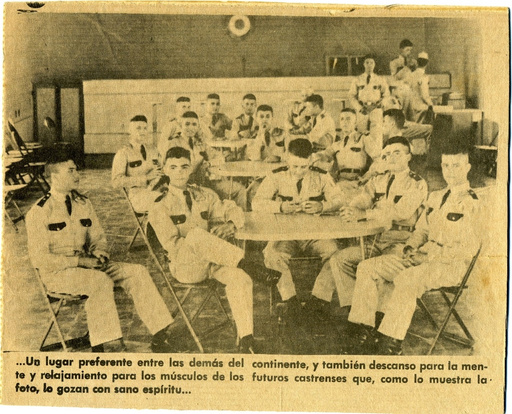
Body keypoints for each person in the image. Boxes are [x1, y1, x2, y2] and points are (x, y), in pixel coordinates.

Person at [26, 150, 181, 353]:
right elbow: (40, 259)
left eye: (76, 170)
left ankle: (160, 336)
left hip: (90, 266)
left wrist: (99, 252)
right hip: (58, 274)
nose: (77, 175)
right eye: (70, 171)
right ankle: (105, 347)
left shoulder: (83, 203)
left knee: (137, 272)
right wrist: (81, 262)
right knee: (99, 281)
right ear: (54, 177)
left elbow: (98, 238)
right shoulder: (39, 212)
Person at [343, 143, 481, 355]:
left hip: (450, 266)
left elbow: (468, 250)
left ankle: (391, 343)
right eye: (446, 165)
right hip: (422, 259)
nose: (450, 171)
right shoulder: (436, 197)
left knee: (407, 279)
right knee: (367, 267)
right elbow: (421, 231)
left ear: (467, 168)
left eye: (456, 165)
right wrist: (410, 247)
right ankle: (363, 331)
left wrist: (428, 257)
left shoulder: (473, 203)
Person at [148, 146, 281, 353]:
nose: (179, 172)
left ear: (191, 168)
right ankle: (249, 264)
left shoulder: (204, 195)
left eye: (184, 167)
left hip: (215, 261)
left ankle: (247, 340)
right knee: (195, 235)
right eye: (173, 167)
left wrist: (231, 224)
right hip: (186, 266)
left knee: (241, 278)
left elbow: (233, 209)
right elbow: (173, 246)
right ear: (165, 170)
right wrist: (206, 245)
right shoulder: (159, 205)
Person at [325, 136, 427, 323]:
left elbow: (401, 212)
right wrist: (352, 208)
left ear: (408, 157)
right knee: (339, 259)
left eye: (397, 153)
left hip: (400, 242)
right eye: (387, 154)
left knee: (379, 268)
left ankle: (380, 315)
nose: (391, 157)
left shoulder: (417, 183)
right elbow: (364, 197)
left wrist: (365, 214)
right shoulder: (379, 180)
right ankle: (354, 309)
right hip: (376, 239)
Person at [252, 138, 343, 323]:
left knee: (336, 254)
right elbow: (257, 202)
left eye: (304, 166)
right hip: (286, 234)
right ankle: (290, 301)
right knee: (272, 253)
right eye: (294, 166)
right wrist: (280, 207)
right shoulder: (276, 175)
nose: (299, 171)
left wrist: (322, 206)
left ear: (311, 160)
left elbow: (340, 199)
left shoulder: (321, 175)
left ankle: (319, 300)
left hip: (315, 235)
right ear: (287, 159)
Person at [167, 111, 248, 210]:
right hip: (185, 185)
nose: (191, 128)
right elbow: (171, 170)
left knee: (240, 189)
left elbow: (220, 157)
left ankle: (239, 218)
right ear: (181, 125)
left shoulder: (199, 143)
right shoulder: (174, 143)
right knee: (213, 197)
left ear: (198, 126)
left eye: (194, 124)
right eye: (187, 124)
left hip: (204, 182)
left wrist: (208, 164)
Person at [111, 115, 164, 213]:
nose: (142, 132)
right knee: (165, 204)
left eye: (145, 128)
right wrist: (145, 178)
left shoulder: (153, 150)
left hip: (156, 190)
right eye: (138, 128)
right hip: (137, 196)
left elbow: (161, 169)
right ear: (130, 131)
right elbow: (116, 182)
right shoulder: (123, 153)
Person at [349, 55, 390, 134]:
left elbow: (387, 95)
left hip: (376, 109)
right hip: (362, 110)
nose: (369, 65)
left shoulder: (380, 79)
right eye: (367, 62)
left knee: (377, 132)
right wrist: (359, 108)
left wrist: (381, 104)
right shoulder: (357, 79)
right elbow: (351, 96)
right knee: (361, 132)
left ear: (374, 64)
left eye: (371, 63)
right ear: (363, 64)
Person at [389, 39, 417, 113]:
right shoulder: (394, 62)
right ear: (401, 49)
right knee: (401, 112)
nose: (409, 52)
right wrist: (406, 67)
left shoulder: (413, 61)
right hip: (399, 90)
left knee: (411, 112)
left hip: (410, 90)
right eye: (407, 50)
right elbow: (394, 78)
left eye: (410, 50)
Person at [406, 52, 435, 124]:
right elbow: (424, 95)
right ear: (427, 63)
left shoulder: (410, 75)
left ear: (417, 62)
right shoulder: (424, 77)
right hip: (421, 109)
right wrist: (431, 104)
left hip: (410, 108)